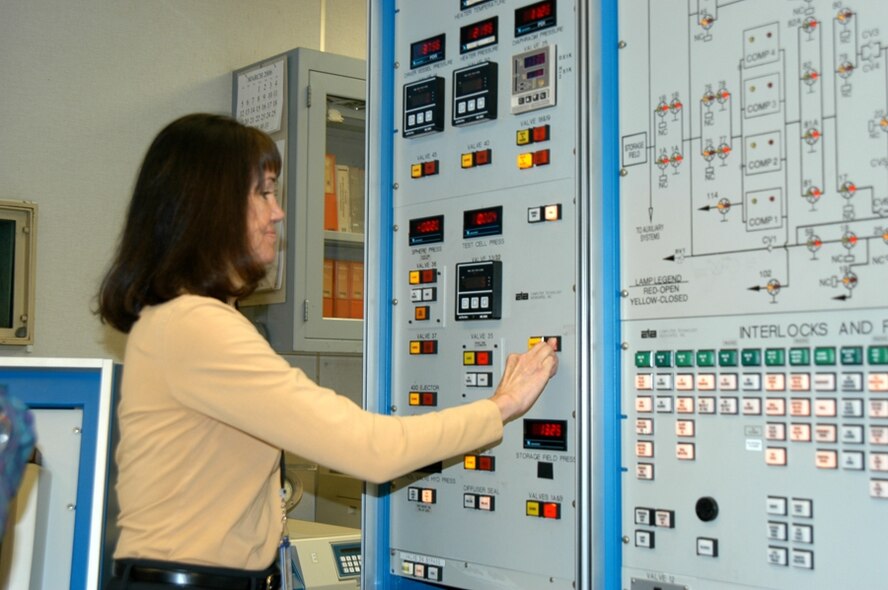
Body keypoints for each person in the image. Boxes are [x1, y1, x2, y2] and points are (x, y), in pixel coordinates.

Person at [97, 113, 558, 589]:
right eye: (264, 192)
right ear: (210, 206)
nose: (277, 212)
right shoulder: (196, 326)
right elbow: (370, 449)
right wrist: (500, 406)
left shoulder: (181, 321)